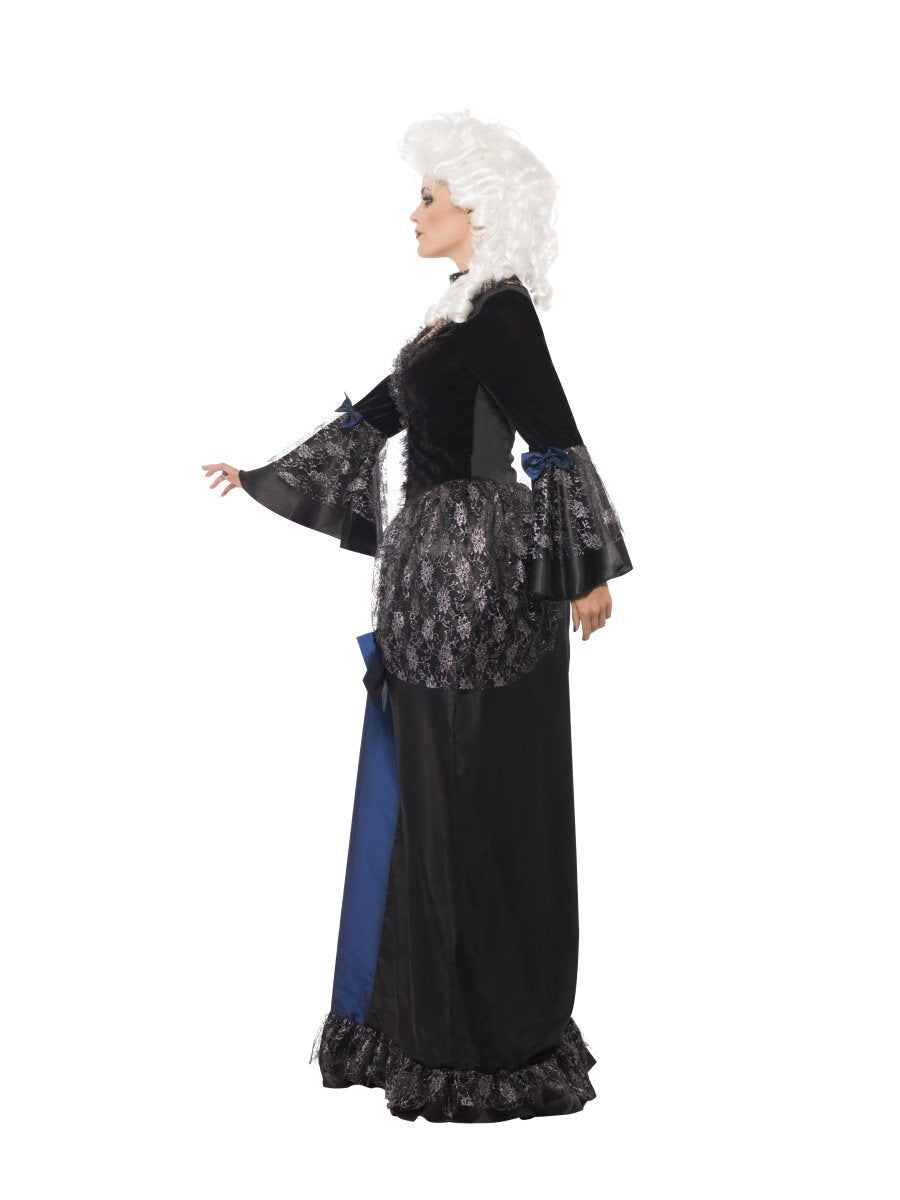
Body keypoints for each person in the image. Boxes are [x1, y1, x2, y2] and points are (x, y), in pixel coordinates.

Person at [202, 110, 634, 1123]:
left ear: (478, 207)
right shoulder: (454, 314)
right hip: (430, 573)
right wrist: (262, 474)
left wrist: (585, 572)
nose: (415, 213)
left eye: (430, 198)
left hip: (481, 578)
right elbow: (376, 418)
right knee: (434, 785)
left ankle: (481, 1037)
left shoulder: (501, 311)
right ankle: (424, 1015)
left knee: (470, 784)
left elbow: (554, 435)